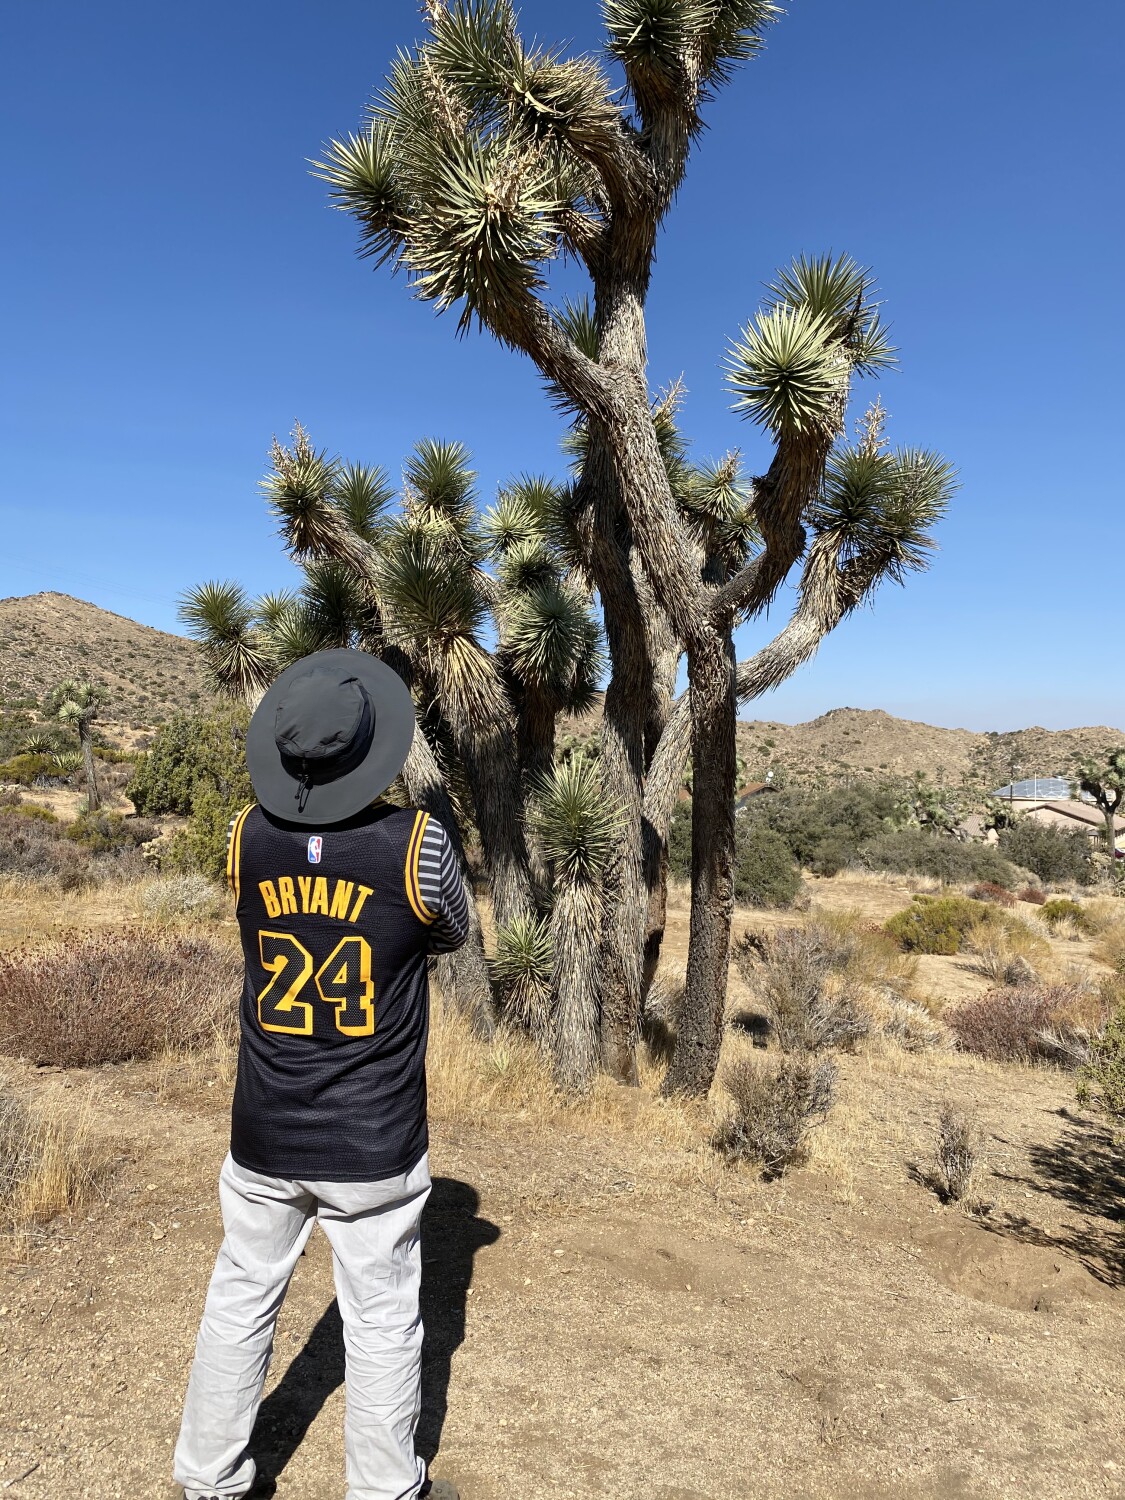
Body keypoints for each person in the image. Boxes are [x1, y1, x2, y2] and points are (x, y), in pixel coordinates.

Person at [173, 649, 469, 1500]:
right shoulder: (415, 845)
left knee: (240, 1294)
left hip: (265, 1123)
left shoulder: (245, 838)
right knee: (380, 1317)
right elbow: (448, 933)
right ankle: (383, 1488)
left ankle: (208, 1477)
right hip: (372, 1135)